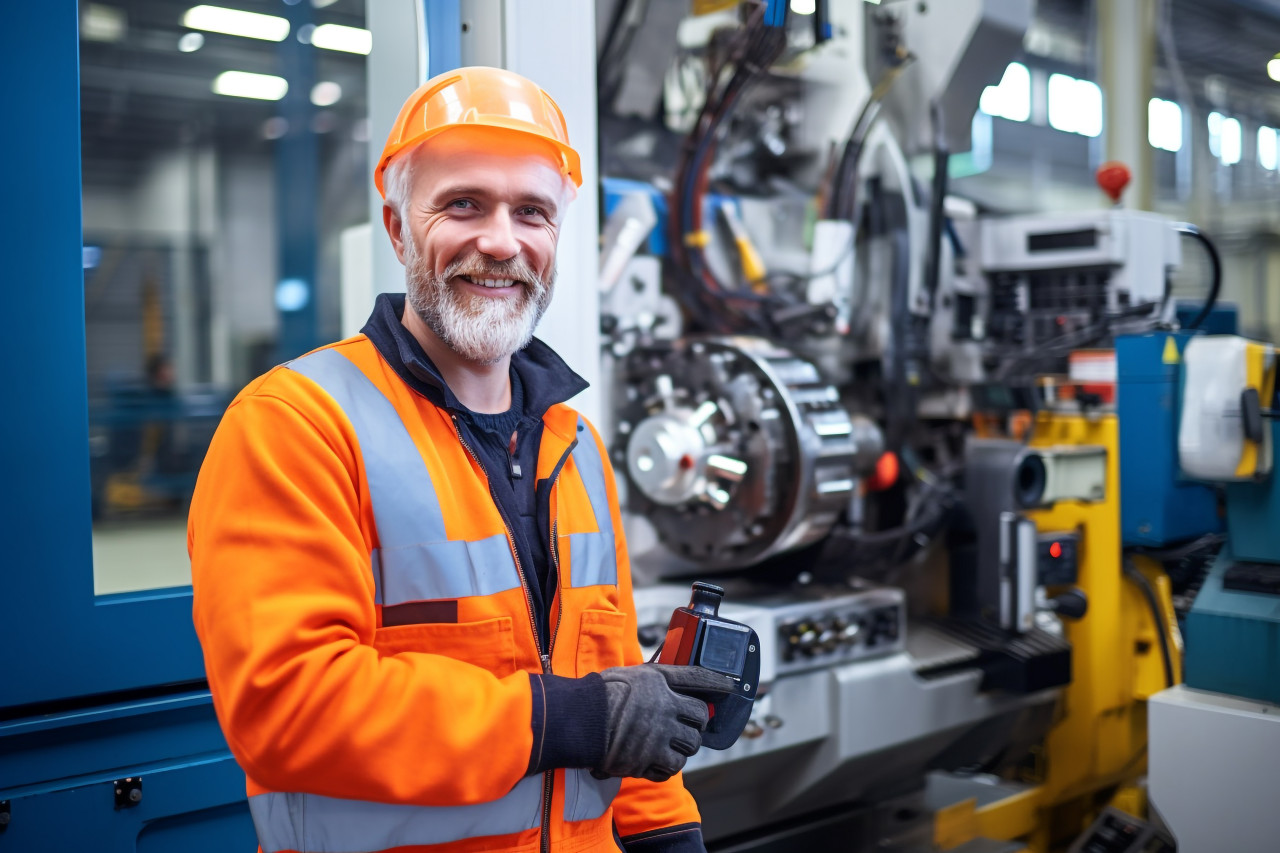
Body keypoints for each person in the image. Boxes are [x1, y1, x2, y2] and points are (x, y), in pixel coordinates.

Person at [189, 66, 734, 853]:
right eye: (463, 204)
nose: (502, 242)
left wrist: (668, 836)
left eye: (533, 213)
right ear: (397, 226)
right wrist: (569, 717)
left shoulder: (575, 446)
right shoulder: (296, 425)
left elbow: (622, 689)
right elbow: (287, 706)